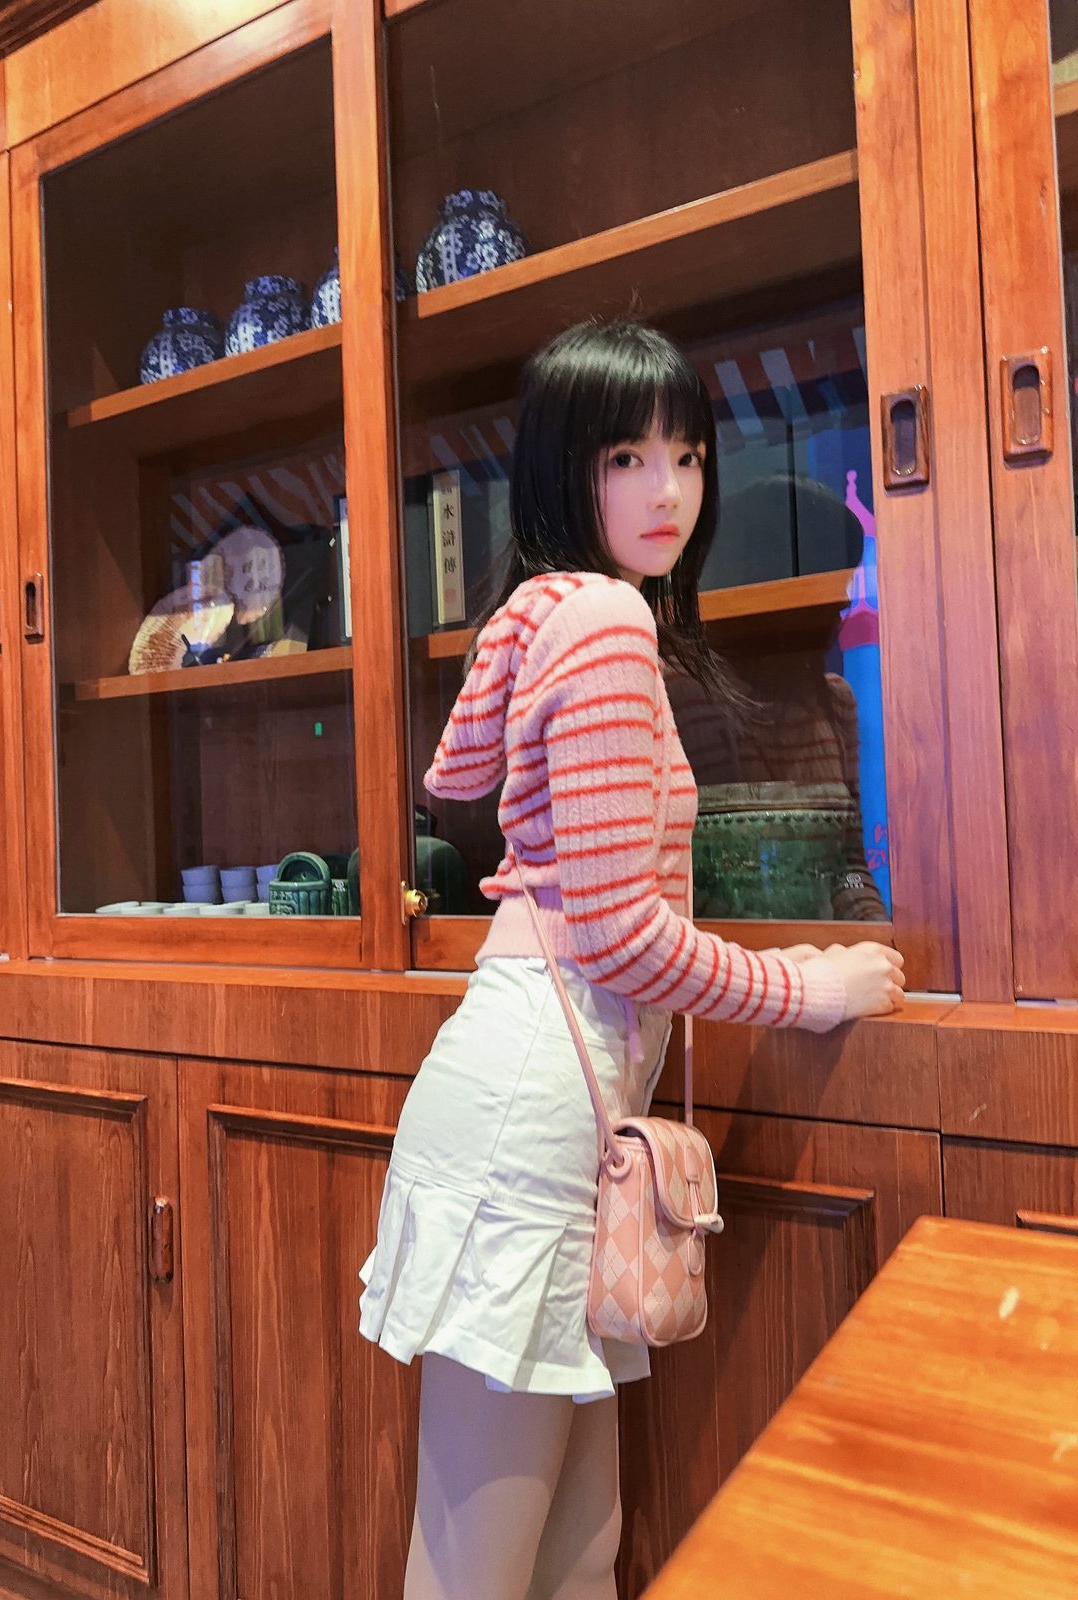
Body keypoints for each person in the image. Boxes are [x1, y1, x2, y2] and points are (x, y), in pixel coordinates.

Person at [358, 321, 905, 1600]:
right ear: (566, 468)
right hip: (534, 1128)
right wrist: (812, 986)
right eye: (625, 458)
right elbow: (615, 932)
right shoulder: (604, 619)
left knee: (574, 1553)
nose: (669, 490)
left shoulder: (552, 614)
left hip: (551, 1115)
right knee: (481, 1576)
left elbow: (466, 785)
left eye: (688, 455)